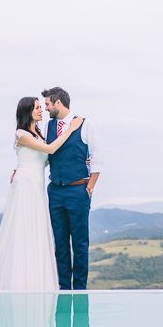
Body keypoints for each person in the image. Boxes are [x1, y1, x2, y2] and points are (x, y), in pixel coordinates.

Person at [0, 97, 82, 291]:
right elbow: (50, 149)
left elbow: (43, 160)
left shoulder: (37, 134)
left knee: (35, 230)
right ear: (27, 111)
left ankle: (36, 281)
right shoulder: (21, 134)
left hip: (36, 184)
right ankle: (20, 283)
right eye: (37, 108)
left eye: (41, 107)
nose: (41, 111)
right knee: (23, 230)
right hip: (26, 185)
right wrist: (70, 129)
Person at [42, 87, 103, 291]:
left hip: (78, 191)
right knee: (60, 243)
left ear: (58, 103)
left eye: (48, 104)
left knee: (79, 244)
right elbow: (42, 155)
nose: (46, 108)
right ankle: (63, 289)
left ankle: (79, 290)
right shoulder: (48, 127)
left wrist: (89, 188)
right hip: (55, 192)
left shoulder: (86, 125)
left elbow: (97, 158)